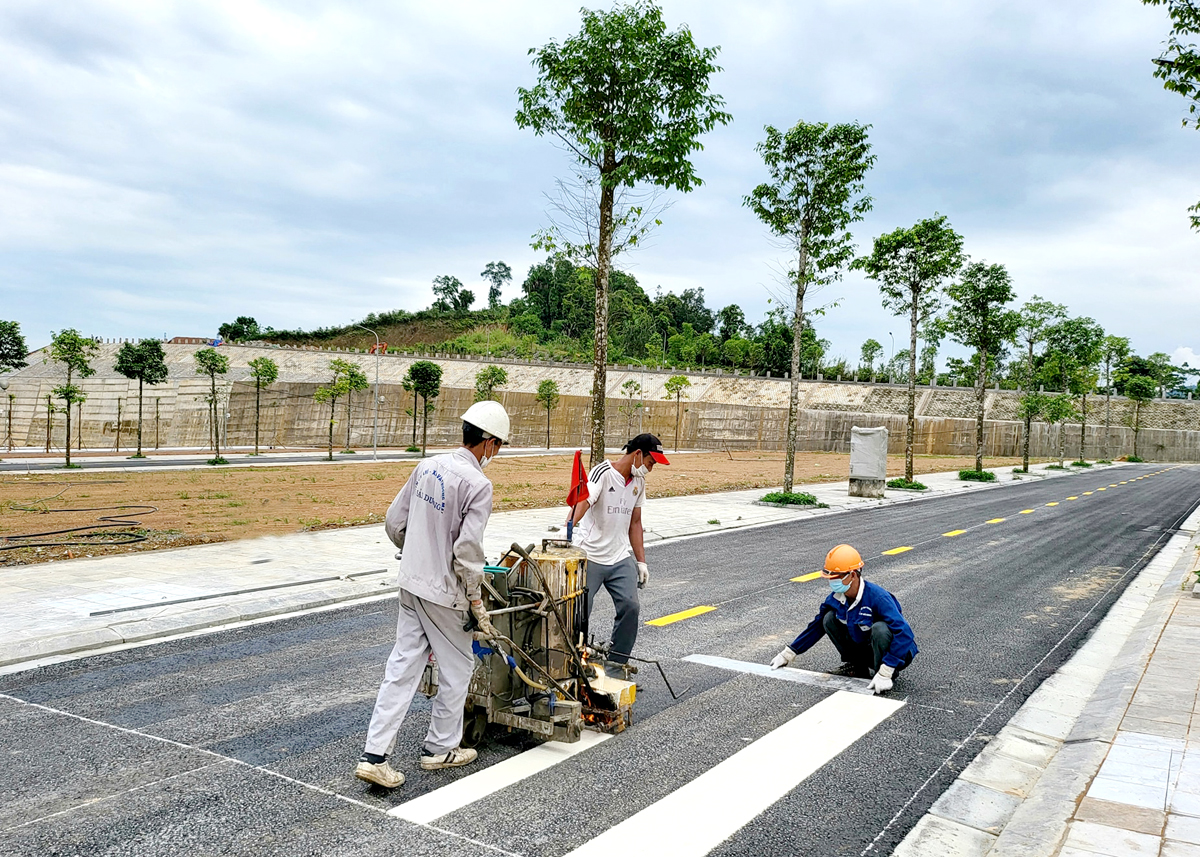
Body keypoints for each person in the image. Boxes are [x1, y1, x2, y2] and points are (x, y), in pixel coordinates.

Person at [354, 401, 508, 789]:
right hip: (444, 593)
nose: (497, 453)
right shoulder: (478, 485)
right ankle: (439, 749)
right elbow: (468, 553)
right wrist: (476, 601)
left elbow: (395, 521)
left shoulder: (428, 465)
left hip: (410, 583)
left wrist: (417, 549)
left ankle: (375, 755)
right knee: (458, 669)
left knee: (401, 667)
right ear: (487, 443)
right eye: (499, 446)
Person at [570, 433, 669, 671]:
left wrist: (641, 562)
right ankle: (573, 665)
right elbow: (584, 501)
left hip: (619, 556)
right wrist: (569, 525)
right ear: (637, 454)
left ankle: (616, 665)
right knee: (579, 614)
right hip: (590, 555)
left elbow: (635, 523)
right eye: (650, 462)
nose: (651, 468)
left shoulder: (638, 482)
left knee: (630, 607)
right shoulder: (602, 472)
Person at [770, 544, 918, 695]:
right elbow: (816, 627)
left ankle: (884, 673)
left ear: (853, 575)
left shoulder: (877, 597)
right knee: (828, 619)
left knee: (880, 629)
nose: (832, 582)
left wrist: (886, 670)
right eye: (830, 577)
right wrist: (789, 653)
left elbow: (904, 633)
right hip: (867, 646)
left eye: (836, 577)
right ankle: (857, 666)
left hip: (897, 653)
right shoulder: (835, 598)